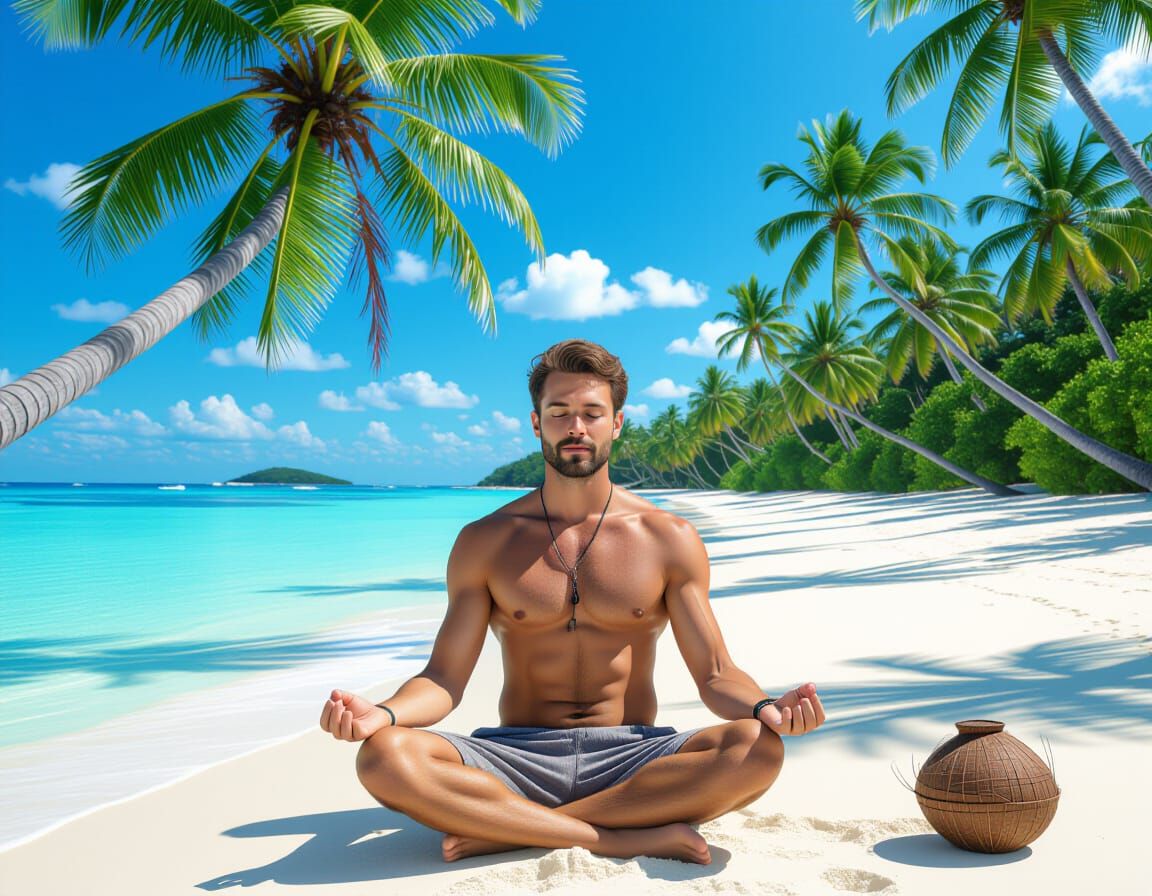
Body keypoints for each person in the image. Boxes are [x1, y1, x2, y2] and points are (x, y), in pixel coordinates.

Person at [319, 339, 826, 865]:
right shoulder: (485, 540)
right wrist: (382, 714)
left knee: (756, 748)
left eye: (591, 413)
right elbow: (444, 679)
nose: (576, 427)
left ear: (618, 423)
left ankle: (512, 827)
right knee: (384, 757)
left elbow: (717, 674)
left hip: (633, 755)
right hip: (513, 757)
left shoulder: (667, 537)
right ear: (537, 423)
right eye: (559, 412)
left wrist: (767, 708)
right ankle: (617, 835)